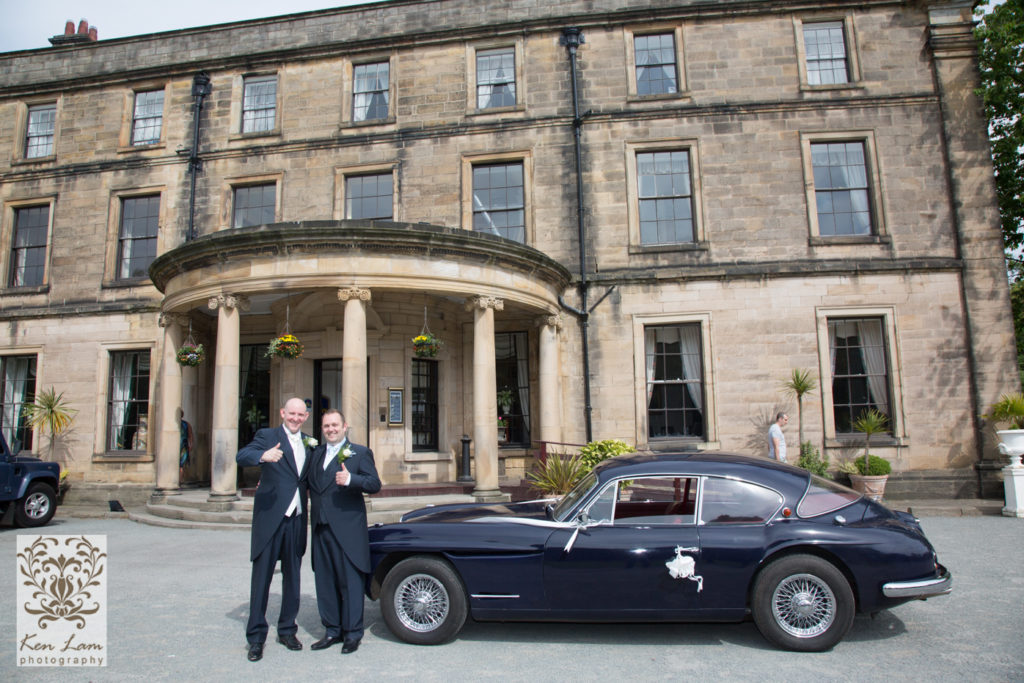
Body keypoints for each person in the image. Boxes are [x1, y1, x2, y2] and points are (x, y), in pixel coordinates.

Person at [235, 397, 313, 662]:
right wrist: (262, 456)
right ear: (282, 413)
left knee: (292, 577)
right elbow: (241, 456)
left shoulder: (310, 442)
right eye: (291, 413)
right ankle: (256, 637)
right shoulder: (267, 436)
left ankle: (287, 629)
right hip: (270, 519)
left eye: (300, 415)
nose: (295, 418)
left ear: (306, 416)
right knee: (262, 578)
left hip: (297, 519)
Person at [307, 409, 381, 655]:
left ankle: (352, 633)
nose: (331, 429)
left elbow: (374, 484)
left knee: (350, 582)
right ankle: (331, 630)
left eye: (335, 425)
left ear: (345, 426)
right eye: (326, 426)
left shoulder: (359, 453)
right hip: (320, 527)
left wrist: (352, 480)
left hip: (348, 529)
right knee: (325, 581)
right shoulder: (316, 454)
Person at [178, 408, 193, 484]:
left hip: (183, 447)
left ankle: (179, 481)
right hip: (181, 447)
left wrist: (190, 445)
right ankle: (179, 481)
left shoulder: (186, 424)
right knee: (180, 466)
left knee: (181, 466)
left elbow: (190, 436)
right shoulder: (186, 424)